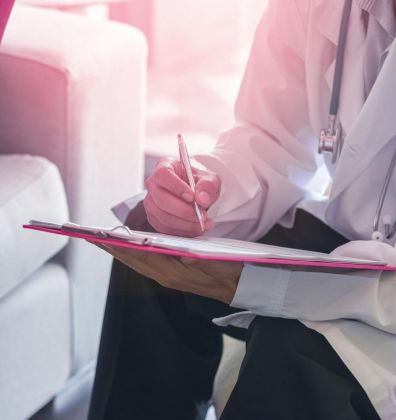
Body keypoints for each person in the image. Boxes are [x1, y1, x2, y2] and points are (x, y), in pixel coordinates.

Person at [89, 0, 396, 419]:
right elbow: (270, 138)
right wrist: (205, 192)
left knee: (291, 349)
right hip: (357, 238)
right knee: (152, 244)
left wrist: (261, 285)